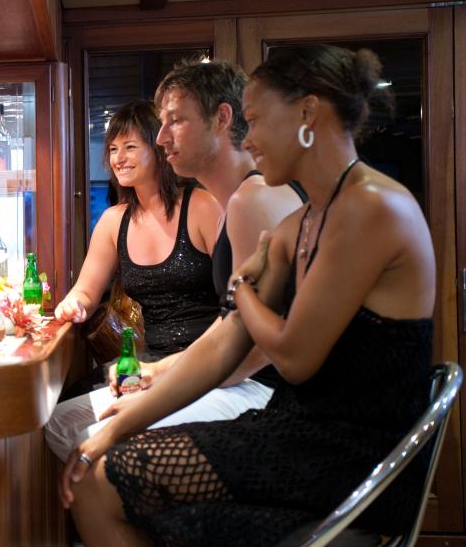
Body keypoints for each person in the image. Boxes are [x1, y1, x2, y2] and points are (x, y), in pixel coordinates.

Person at [60, 44, 434, 547]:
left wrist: (242, 289)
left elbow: (295, 358)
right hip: (297, 430)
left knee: (102, 486)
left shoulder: (371, 207)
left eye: (255, 120)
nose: (249, 138)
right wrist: (111, 430)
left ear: (308, 113)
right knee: (96, 476)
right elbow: (224, 342)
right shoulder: (302, 220)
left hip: (349, 454)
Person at [45, 62, 304, 461]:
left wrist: (158, 381)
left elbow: (250, 345)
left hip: (251, 385)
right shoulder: (234, 202)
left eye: (174, 122)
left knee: (97, 449)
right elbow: (238, 327)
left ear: (222, 119)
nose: (164, 137)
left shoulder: (243, 202)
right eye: (113, 148)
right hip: (195, 367)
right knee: (60, 425)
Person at [45, 100, 221, 459]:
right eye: (112, 148)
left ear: (158, 148)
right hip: (147, 364)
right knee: (58, 423)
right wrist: (73, 304)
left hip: (205, 364)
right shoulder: (114, 220)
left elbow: (238, 306)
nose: (117, 158)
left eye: (129, 147)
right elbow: (87, 290)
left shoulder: (202, 206)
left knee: (97, 438)